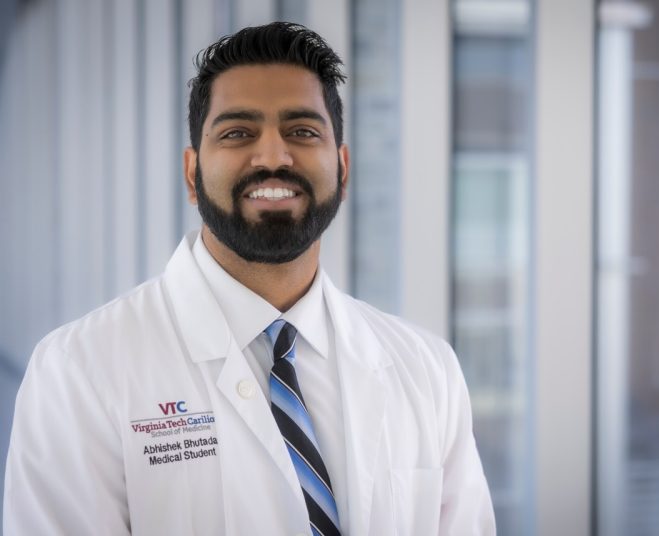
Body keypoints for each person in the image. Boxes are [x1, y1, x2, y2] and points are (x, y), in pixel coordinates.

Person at [3, 22, 495, 535]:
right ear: (192, 174)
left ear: (343, 169)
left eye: (302, 131)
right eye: (238, 133)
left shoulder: (427, 370)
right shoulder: (77, 372)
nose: (273, 157)